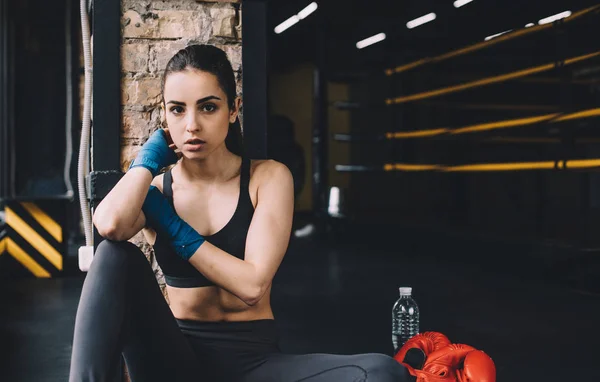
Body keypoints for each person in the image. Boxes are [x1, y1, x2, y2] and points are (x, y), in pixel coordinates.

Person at [69, 44, 414, 382]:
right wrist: (146, 162)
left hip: (253, 363)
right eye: (177, 109)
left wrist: (172, 225)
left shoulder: (268, 178)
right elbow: (110, 225)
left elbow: (252, 286)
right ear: (164, 114)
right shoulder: (157, 190)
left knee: (381, 372)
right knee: (113, 256)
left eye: (207, 107)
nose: (191, 125)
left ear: (233, 110)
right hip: (173, 362)